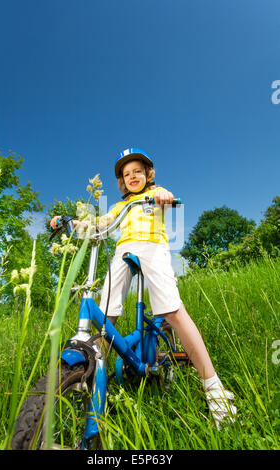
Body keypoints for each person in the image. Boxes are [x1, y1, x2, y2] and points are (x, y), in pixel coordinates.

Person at [50, 148, 236, 430]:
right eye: (127, 174)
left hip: (153, 247)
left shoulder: (155, 193)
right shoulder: (118, 206)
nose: (132, 176)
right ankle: (91, 376)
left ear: (148, 174)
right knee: (106, 311)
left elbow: (168, 198)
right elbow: (99, 224)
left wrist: (164, 198)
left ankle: (214, 388)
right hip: (125, 250)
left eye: (137, 171)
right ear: (122, 182)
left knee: (172, 310)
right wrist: (72, 222)